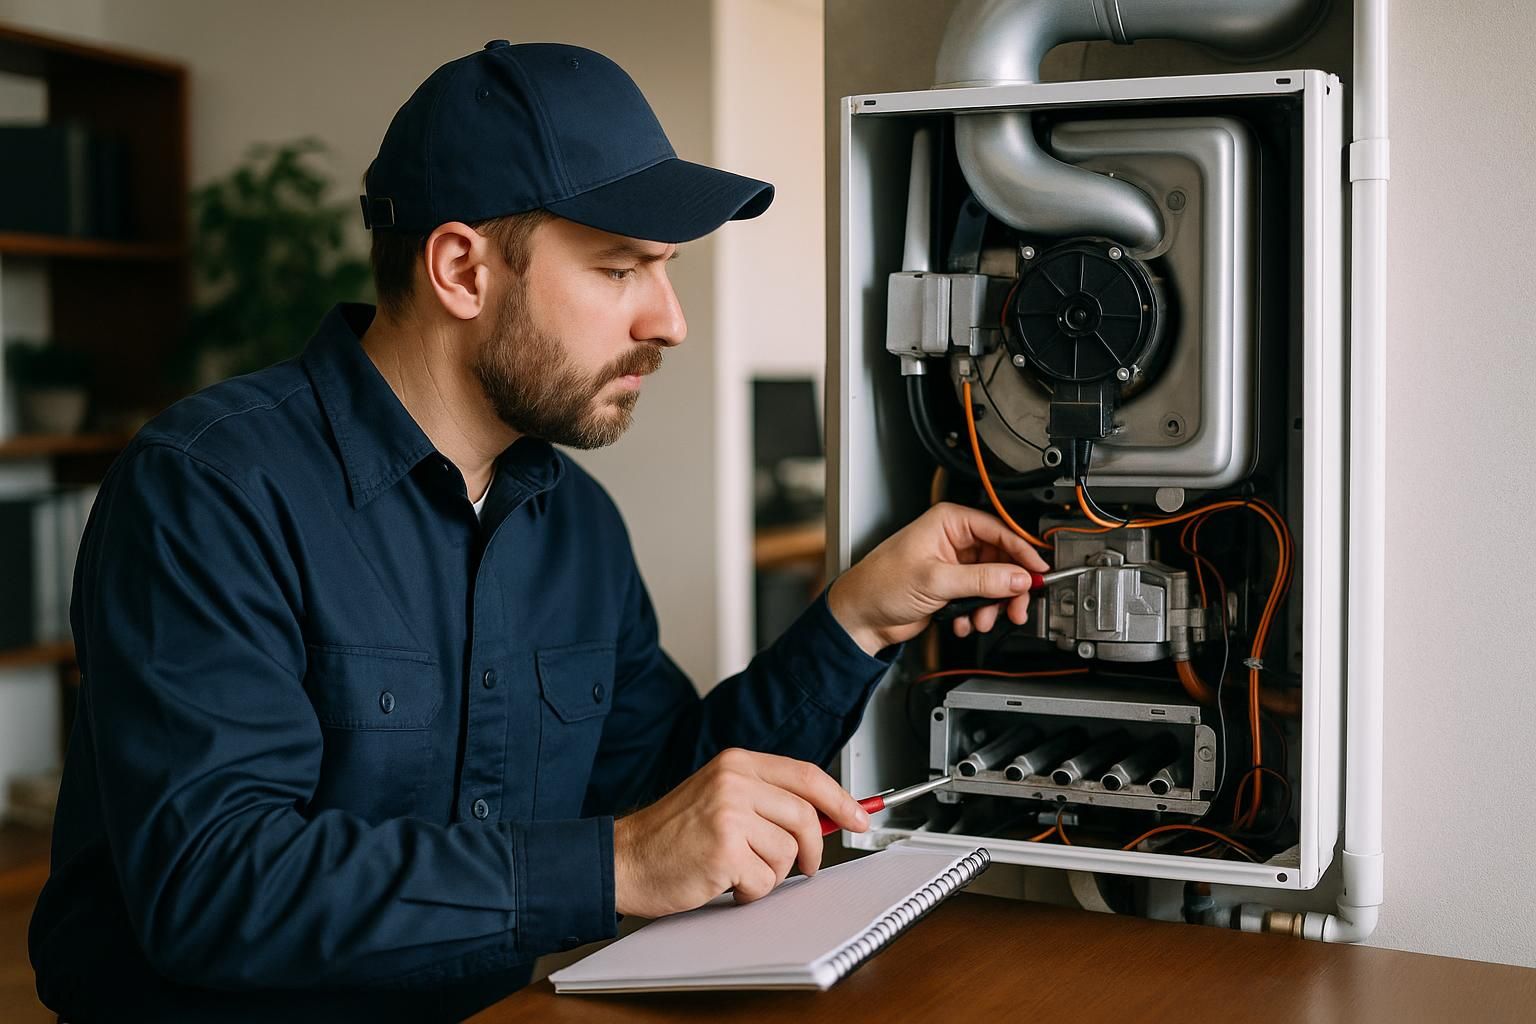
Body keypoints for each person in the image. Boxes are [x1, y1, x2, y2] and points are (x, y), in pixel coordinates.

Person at [29, 40, 1047, 1022]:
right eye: (621, 269)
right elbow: (213, 886)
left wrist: (858, 616)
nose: (669, 321)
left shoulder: (576, 527)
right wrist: (619, 865)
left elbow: (668, 800)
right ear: (462, 270)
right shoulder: (210, 487)